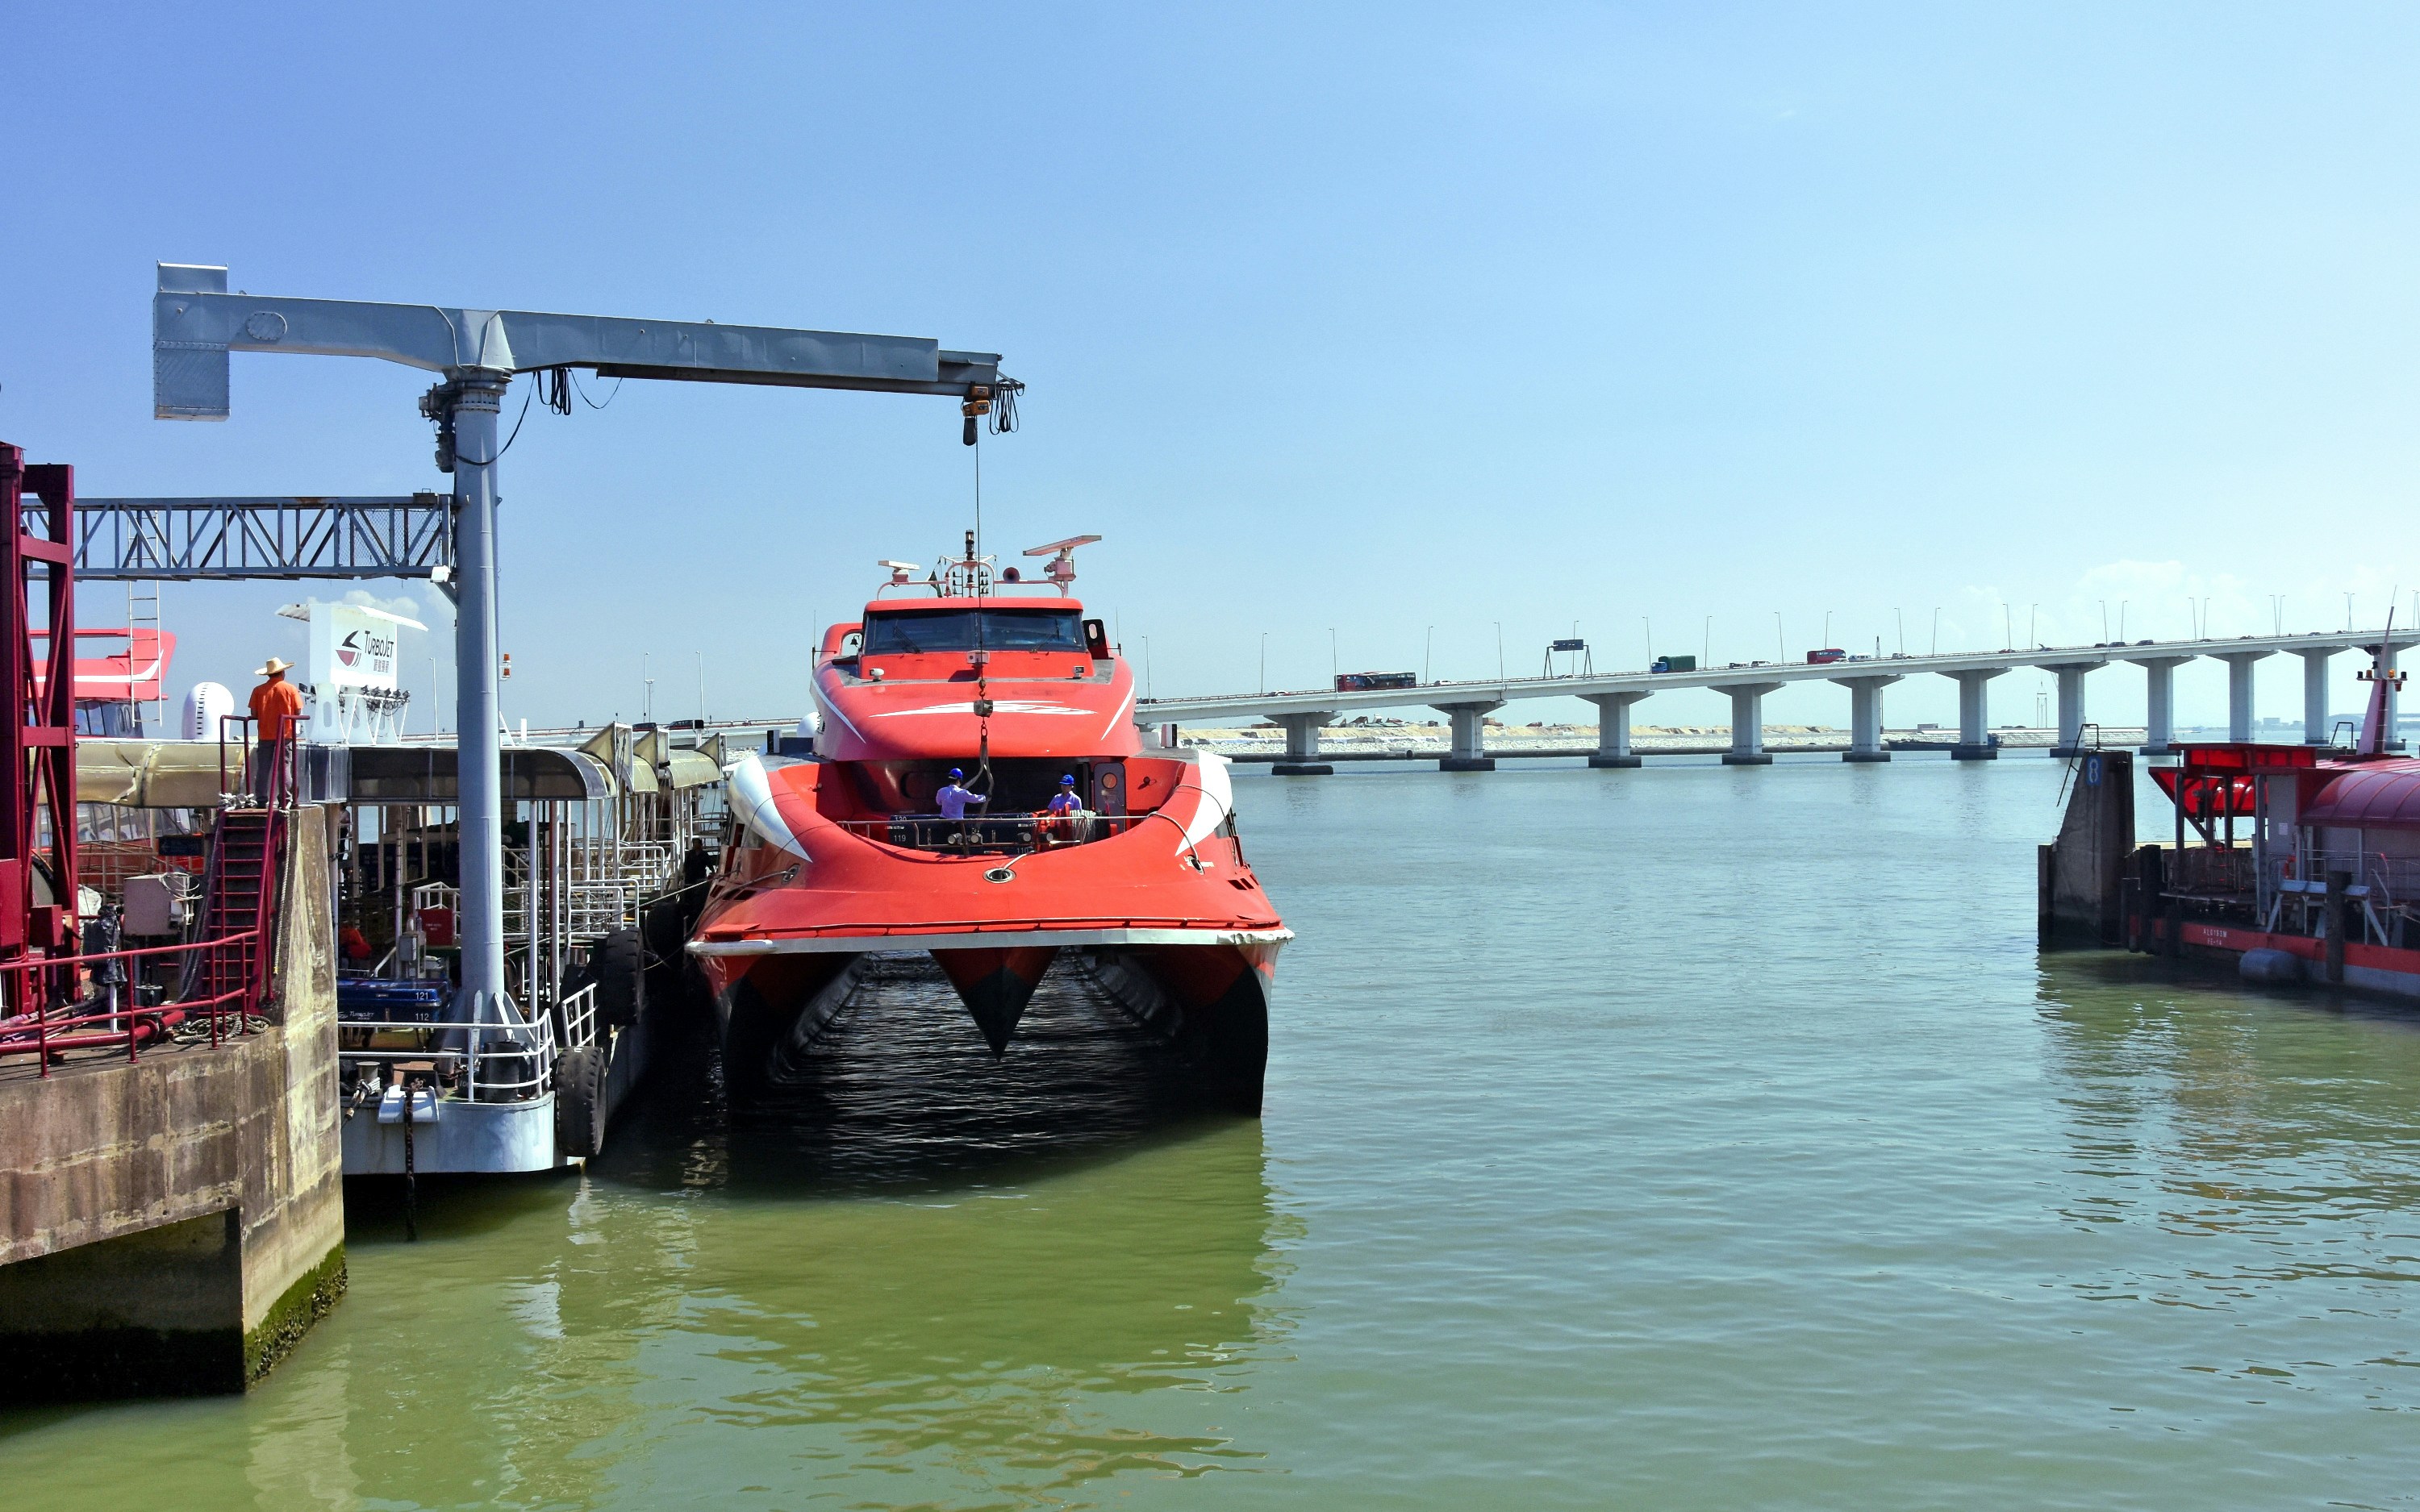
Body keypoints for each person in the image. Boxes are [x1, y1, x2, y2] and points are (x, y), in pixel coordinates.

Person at [248, 656, 305, 802]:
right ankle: (285, 799)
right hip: (285, 734)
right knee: (284, 767)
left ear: (268, 674)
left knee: (263, 768)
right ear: (282, 673)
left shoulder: (258, 690)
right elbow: (298, 711)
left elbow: (254, 714)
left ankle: (261, 799)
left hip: (265, 734)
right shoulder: (290, 689)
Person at [936, 767, 987, 846]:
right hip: (958, 824)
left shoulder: (941, 791)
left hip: (945, 824)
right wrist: (985, 797)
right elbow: (975, 799)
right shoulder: (963, 793)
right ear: (959, 780)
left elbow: (938, 802)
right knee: (960, 846)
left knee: (944, 845)